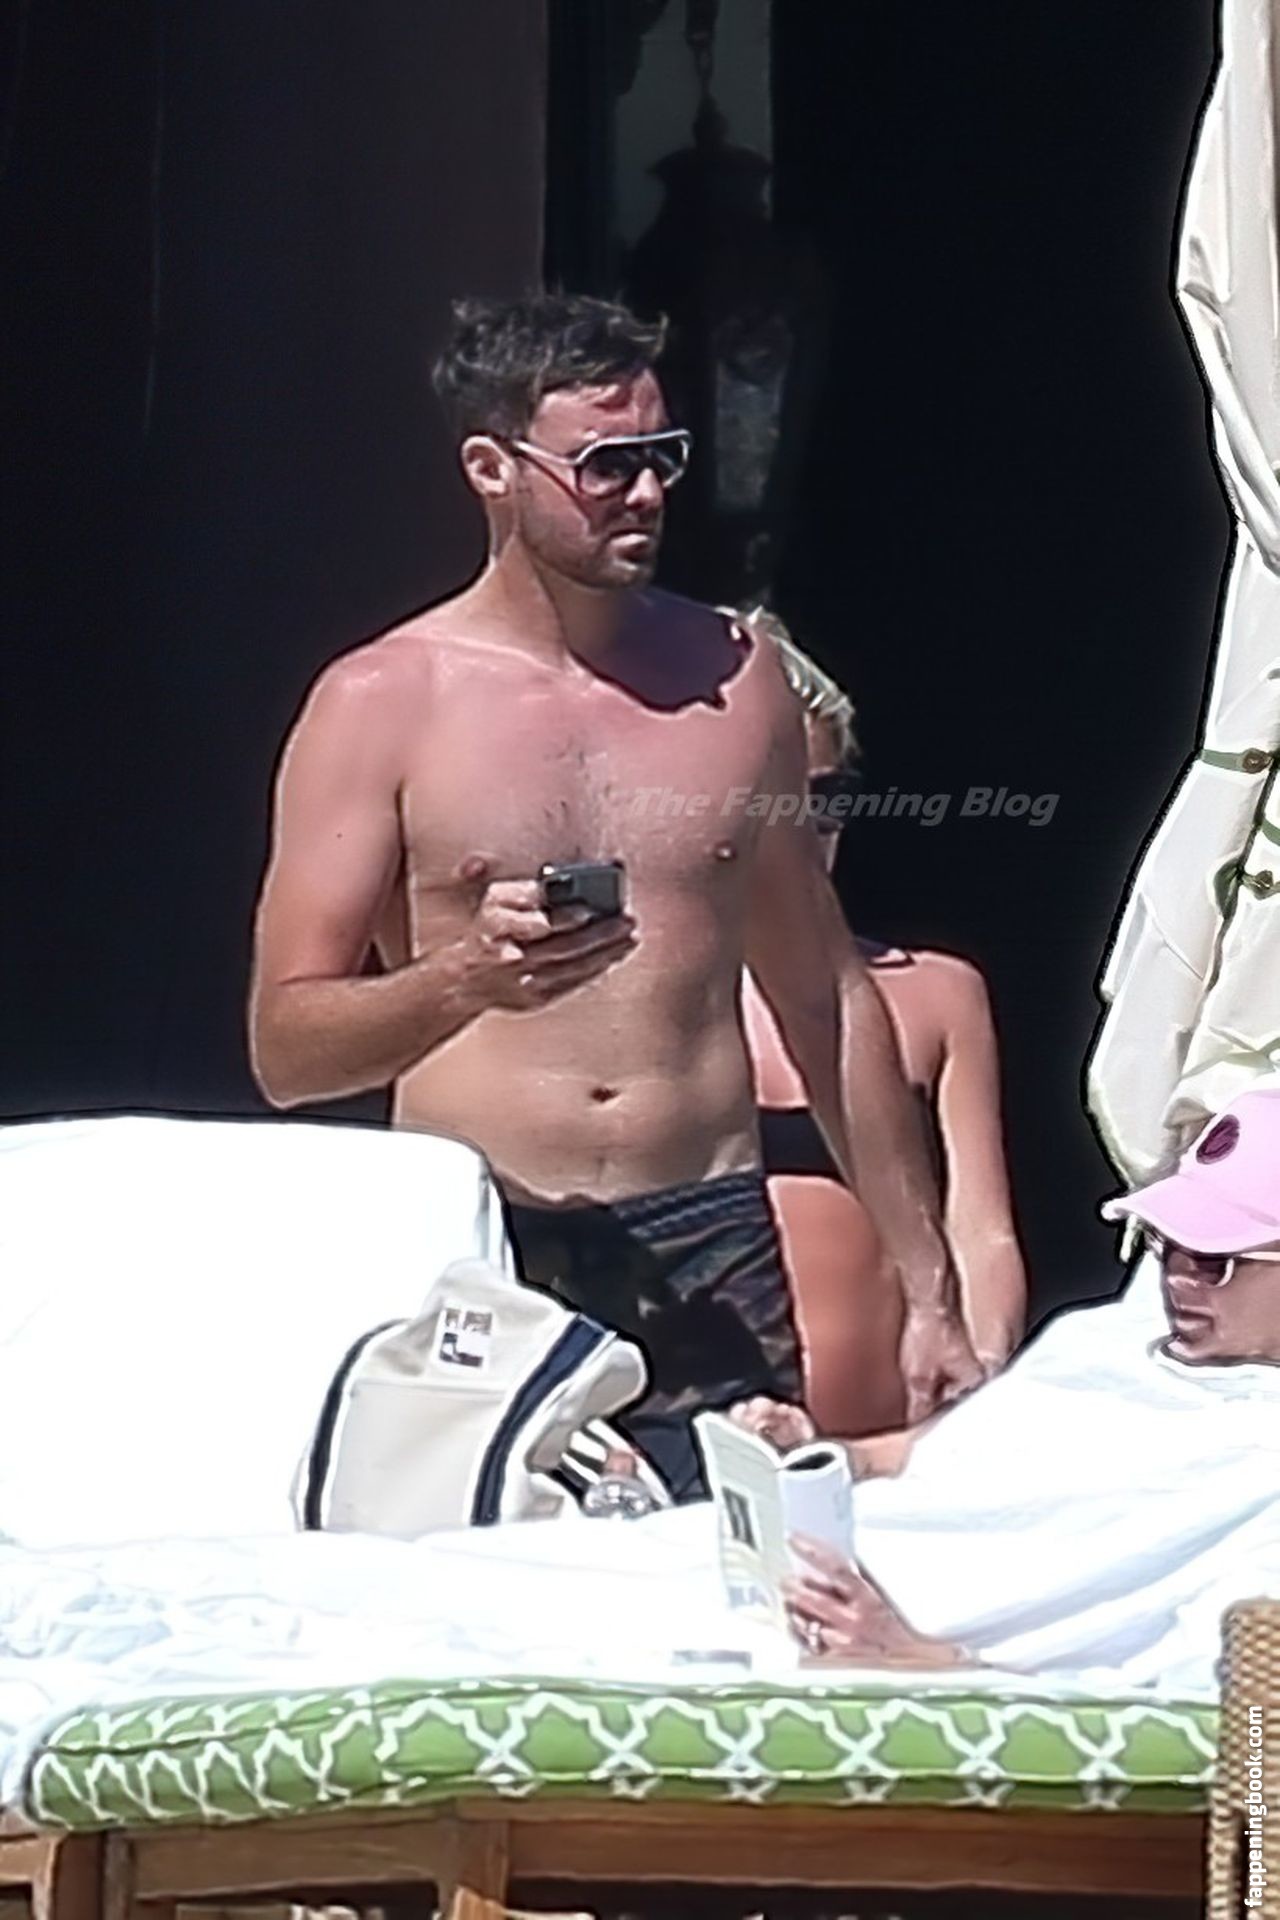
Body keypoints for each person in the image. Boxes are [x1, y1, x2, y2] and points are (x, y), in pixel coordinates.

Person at [247, 293, 979, 1499]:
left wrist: (929, 1288)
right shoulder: (382, 703)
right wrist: (463, 980)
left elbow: (825, 998)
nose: (643, 493)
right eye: (603, 464)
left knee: (735, 1580)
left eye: (661, 457)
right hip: (487, 1236)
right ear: (490, 468)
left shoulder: (734, 683)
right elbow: (286, 1051)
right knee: (486, 1583)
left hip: (707, 1238)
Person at [737, 1082, 1280, 1682]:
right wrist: (814, 1456)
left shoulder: (1259, 1468)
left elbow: (1233, 1710)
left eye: (1212, 1262)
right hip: (805, 1575)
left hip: (913, 1665)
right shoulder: (1103, 1341)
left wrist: (927, 1665)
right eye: (1165, 1245)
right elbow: (927, 1454)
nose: (1176, 1278)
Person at [740, 615, 1026, 1433]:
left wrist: (980, 1392)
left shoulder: (938, 996)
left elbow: (981, 1229)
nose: (803, 829)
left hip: (898, 1442)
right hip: (697, 1435)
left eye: (827, 799)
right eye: (772, 800)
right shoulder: (646, 1004)